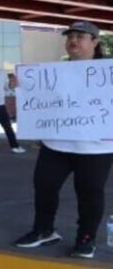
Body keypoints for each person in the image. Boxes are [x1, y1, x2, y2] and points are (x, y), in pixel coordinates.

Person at [14, 21, 113, 259]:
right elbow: (41, 104)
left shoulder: (107, 73)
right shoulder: (51, 74)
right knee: (44, 186)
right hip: (55, 144)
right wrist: (20, 86)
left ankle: (86, 239)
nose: (74, 41)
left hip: (95, 147)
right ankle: (44, 230)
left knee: (89, 193)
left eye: (81, 36)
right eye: (71, 36)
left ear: (95, 42)